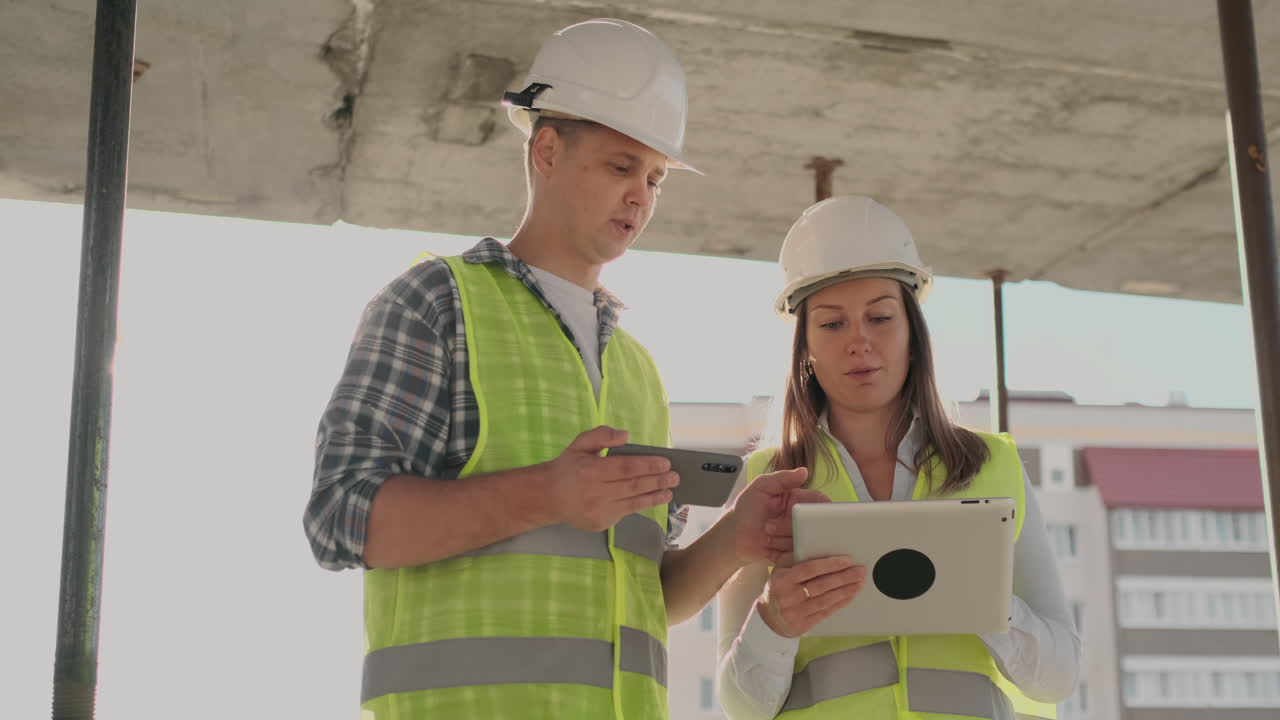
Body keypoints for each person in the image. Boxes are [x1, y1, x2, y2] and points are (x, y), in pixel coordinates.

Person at [304, 18, 815, 720]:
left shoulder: (636, 370)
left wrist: (737, 539)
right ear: (547, 150)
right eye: (620, 166)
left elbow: (644, 598)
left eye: (656, 178)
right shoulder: (437, 303)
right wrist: (545, 494)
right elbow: (340, 519)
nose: (641, 195)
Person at [715, 195, 1081, 720]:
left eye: (880, 318)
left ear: (914, 335)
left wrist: (981, 598)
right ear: (806, 350)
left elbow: (1059, 677)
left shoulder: (995, 465)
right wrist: (774, 622)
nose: (860, 342)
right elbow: (740, 708)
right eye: (833, 324)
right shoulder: (766, 482)